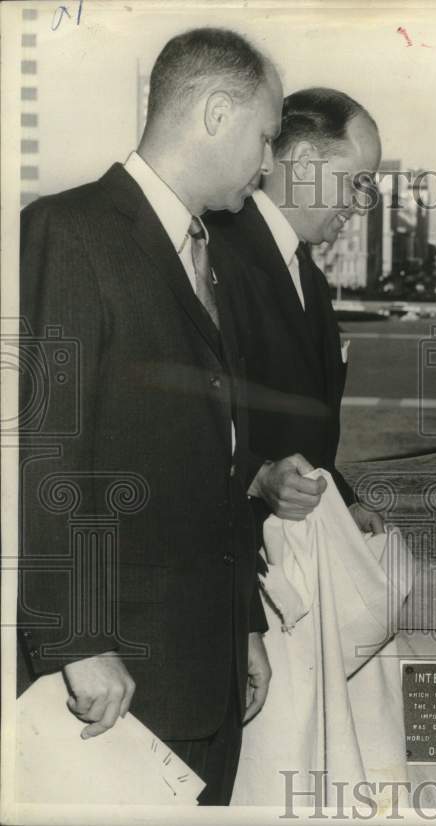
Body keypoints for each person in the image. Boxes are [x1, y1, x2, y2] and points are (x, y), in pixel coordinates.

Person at [17, 27, 294, 805]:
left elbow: (223, 461)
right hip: (118, 685)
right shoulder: (66, 234)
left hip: (205, 675)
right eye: (266, 138)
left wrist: (243, 625)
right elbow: (43, 454)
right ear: (215, 113)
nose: (268, 164)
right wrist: (76, 644)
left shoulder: (212, 253)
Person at [206, 87, 384, 534]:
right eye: (357, 181)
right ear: (304, 163)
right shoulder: (211, 254)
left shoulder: (310, 277)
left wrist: (342, 502)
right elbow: (172, 414)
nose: (361, 205)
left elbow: (303, 442)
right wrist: (255, 477)